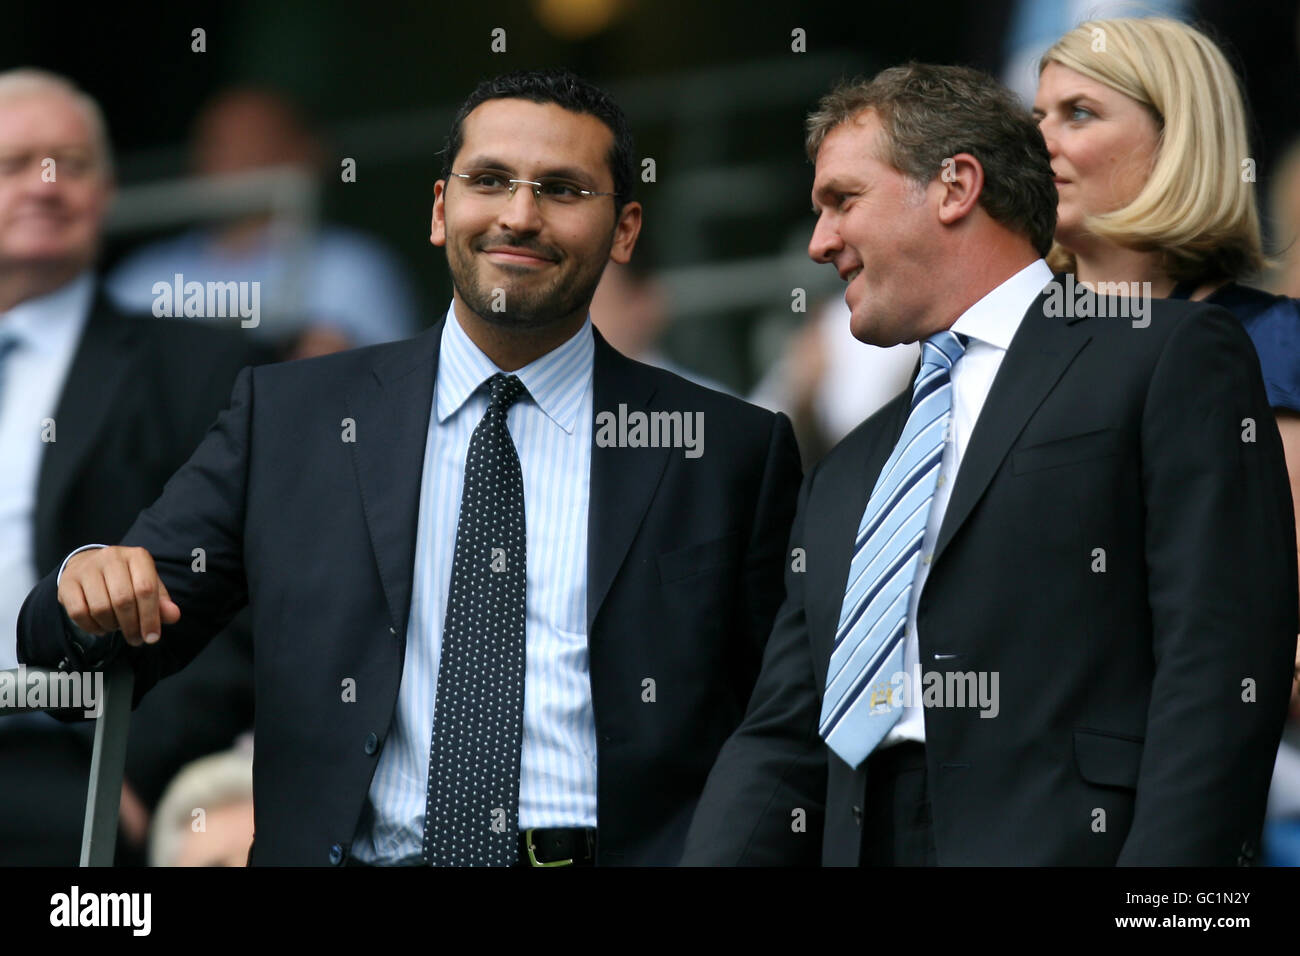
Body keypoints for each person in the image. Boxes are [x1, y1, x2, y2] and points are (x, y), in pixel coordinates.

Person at [18, 68, 802, 867]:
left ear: (626, 230)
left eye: (562, 190)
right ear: (439, 210)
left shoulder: (725, 449)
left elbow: (783, 725)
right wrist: (89, 584)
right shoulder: (289, 419)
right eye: (489, 181)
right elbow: (76, 639)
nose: (519, 216)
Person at [680, 62, 1297, 866]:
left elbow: (1218, 663)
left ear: (954, 187)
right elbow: (782, 742)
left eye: (843, 200)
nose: (819, 242)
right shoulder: (848, 469)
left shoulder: (1165, 356)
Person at [1034, 12, 1300, 863]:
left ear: (1177, 141)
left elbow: (1270, 627)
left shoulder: (1274, 346)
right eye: (1034, 116)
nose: (1039, 141)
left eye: (1078, 113)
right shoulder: (1005, 358)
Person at [0, 68, 262, 865]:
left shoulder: (198, 362)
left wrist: (136, 770)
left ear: (108, 191)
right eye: (16, 165)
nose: (46, 187)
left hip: (77, 759)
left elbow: (238, 596)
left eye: (70, 165)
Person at [107, 88, 420, 360]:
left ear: (304, 153)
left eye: (255, 141)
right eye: (217, 143)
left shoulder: (351, 269)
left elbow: (394, 397)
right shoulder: (143, 278)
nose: (234, 158)